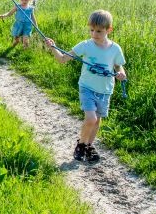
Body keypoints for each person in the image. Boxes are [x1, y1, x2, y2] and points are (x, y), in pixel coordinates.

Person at [44, 9, 127, 162]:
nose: (94, 34)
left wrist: (121, 74)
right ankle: (81, 144)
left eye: (99, 31)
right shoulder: (86, 45)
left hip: (105, 90)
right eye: (91, 30)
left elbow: (118, 66)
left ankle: (89, 145)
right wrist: (53, 47)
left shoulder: (115, 49)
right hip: (87, 87)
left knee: (97, 120)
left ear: (109, 30)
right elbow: (62, 59)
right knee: (90, 118)